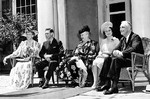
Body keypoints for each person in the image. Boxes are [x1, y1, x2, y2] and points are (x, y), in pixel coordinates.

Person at [96, 21, 144, 95]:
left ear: (129, 28)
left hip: (134, 60)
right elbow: (115, 49)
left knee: (116, 60)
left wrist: (122, 53)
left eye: (123, 27)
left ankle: (114, 86)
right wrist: (114, 52)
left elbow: (134, 48)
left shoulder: (135, 37)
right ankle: (106, 83)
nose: (120, 29)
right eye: (120, 27)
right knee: (108, 59)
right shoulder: (123, 39)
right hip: (125, 59)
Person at [91, 22, 119, 89]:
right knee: (95, 62)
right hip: (102, 56)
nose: (108, 32)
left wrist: (106, 55)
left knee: (101, 62)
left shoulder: (116, 40)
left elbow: (116, 51)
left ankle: (103, 81)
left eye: (109, 30)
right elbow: (101, 50)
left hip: (110, 58)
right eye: (106, 31)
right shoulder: (103, 41)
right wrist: (99, 55)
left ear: (112, 31)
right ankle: (95, 82)